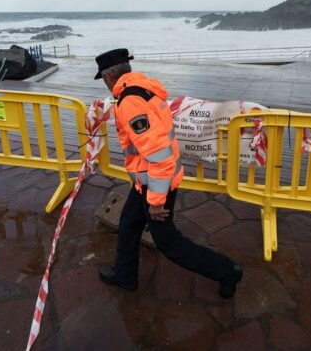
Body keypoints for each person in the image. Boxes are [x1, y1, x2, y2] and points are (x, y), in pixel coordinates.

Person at [94, 48, 243, 298]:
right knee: (129, 225)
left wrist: (155, 201)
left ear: (109, 78)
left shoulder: (130, 103)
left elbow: (159, 156)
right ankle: (125, 275)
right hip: (145, 182)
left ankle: (227, 270)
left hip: (155, 185)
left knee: (169, 244)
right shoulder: (145, 89)